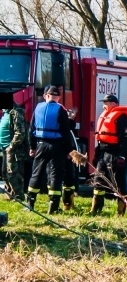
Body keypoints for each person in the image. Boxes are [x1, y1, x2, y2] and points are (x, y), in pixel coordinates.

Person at [27, 85, 71, 213]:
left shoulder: (38, 108)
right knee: (56, 174)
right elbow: (66, 133)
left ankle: (30, 203)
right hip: (57, 146)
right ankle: (53, 206)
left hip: (41, 144)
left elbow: (31, 130)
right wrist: (69, 151)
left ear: (46, 96)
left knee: (36, 173)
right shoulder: (61, 110)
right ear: (58, 98)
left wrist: (32, 147)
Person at [90, 94, 127, 215]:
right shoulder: (106, 115)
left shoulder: (122, 117)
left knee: (119, 183)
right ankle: (95, 209)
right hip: (103, 153)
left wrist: (122, 156)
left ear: (113, 104)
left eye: (106, 103)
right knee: (98, 180)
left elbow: (125, 139)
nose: (103, 105)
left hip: (116, 153)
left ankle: (121, 211)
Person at [0, 95, 30, 200]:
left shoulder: (16, 112)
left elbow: (20, 132)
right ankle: (10, 193)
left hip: (13, 149)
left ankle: (18, 196)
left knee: (13, 173)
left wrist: (11, 146)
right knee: (5, 172)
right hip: (4, 148)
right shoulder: (6, 112)